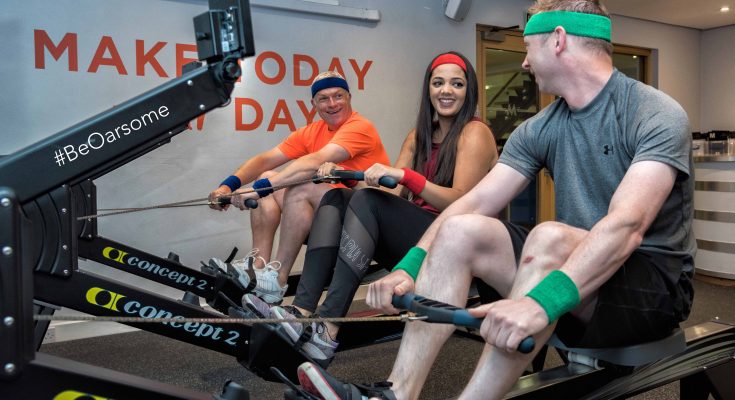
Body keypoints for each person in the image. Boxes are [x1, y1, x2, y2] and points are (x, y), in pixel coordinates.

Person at [294, 1, 695, 399]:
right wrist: (410, 267)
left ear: (557, 40)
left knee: (549, 237)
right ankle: (397, 394)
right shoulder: (540, 127)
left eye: (528, 47)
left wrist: (541, 303)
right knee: (460, 229)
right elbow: (471, 203)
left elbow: (627, 226)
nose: (524, 63)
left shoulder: (653, 112)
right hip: (575, 290)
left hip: (651, 297)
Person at [243, 51, 498, 365]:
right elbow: (389, 195)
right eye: (438, 83)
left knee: (363, 200)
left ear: (467, 89)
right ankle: (302, 310)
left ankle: (330, 325)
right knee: (337, 196)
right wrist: (345, 179)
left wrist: (408, 176)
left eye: (456, 84)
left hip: (451, 240)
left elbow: (460, 202)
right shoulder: (418, 136)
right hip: (414, 237)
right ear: (428, 89)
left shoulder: (475, 133)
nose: (446, 90)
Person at [209, 71, 390, 305]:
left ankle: (278, 278)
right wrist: (227, 186)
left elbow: (313, 162)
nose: (332, 104)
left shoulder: (360, 126)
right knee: (268, 176)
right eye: (323, 98)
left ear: (349, 98)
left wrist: (258, 190)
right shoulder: (312, 131)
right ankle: (259, 265)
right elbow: (265, 160)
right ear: (313, 103)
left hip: (368, 220)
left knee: (300, 185)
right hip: (334, 213)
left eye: (338, 96)